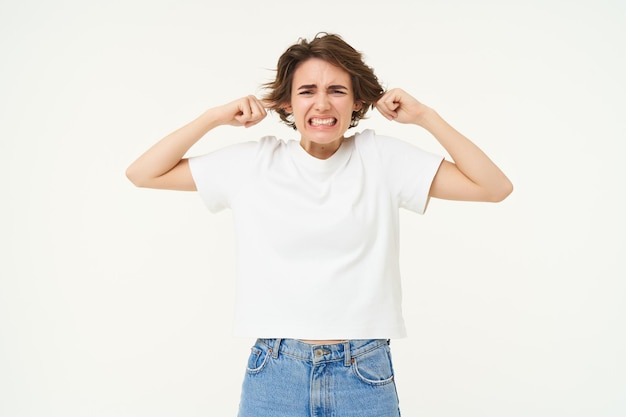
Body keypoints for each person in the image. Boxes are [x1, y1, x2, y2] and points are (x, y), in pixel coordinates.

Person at [126, 32, 512, 417]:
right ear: (287, 103)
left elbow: (494, 187)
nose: (322, 104)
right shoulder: (254, 164)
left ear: (358, 100)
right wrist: (213, 118)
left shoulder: (380, 157)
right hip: (275, 372)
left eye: (338, 90)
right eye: (307, 91)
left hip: (362, 372)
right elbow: (143, 173)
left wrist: (426, 117)